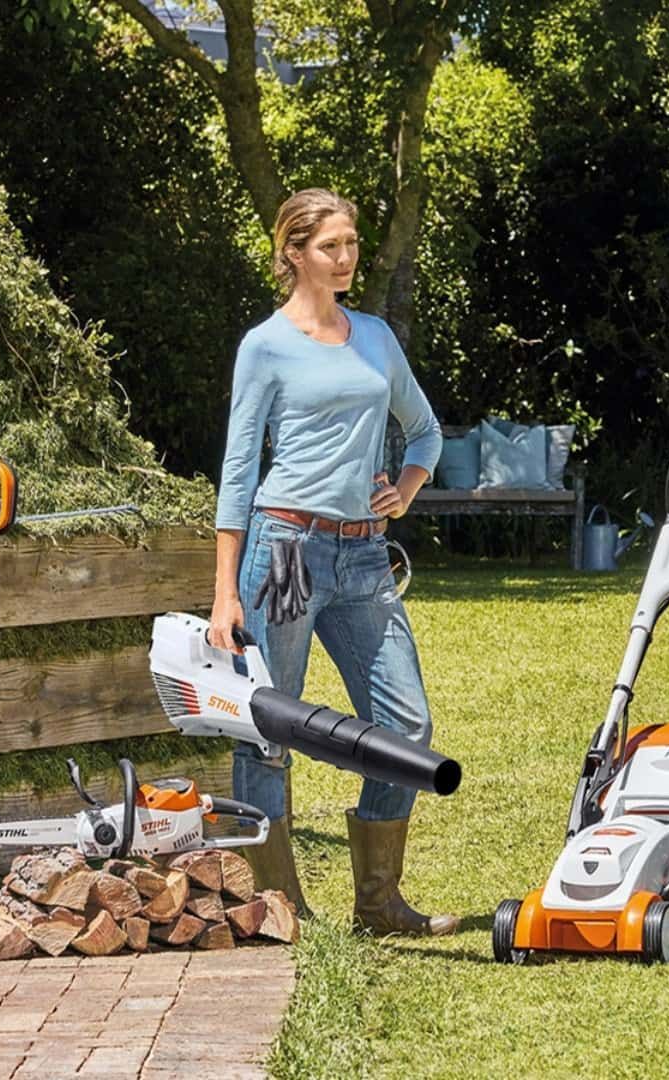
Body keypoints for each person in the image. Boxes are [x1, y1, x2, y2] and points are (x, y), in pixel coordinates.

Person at [210, 188, 458, 936]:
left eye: (351, 243)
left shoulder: (376, 337)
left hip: (362, 559)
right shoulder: (266, 345)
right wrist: (225, 592)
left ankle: (378, 905)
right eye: (330, 246)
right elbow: (238, 467)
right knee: (271, 723)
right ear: (293, 253)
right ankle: (276, 909)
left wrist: (405, 491)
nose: (345, 257)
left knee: (406, 723)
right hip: (284, 549)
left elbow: (425, 431)